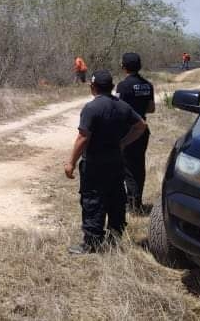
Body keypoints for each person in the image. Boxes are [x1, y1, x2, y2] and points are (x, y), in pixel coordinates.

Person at [64, 70, 146, 254]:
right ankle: (115, 236)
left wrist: (70, 163)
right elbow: (141, 125)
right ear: (112, 86)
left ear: (92, 87)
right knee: (116, 197)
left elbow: (83, 138)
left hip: (94, 163)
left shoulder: (91, 108)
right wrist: (124, 142)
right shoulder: (123, 107)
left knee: (93, 200)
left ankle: (92, 242)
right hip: (116, 161)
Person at [116, 52, 155, 215]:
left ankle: (132, 204)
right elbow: (151, 108)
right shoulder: (147, 85)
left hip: (128, 130)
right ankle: (136, 201)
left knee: (127, 167)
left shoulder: (123, 86)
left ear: (123, 66)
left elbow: (118, 109)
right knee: (139, 165)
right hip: (143, 130)